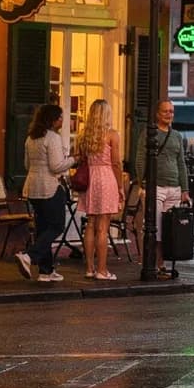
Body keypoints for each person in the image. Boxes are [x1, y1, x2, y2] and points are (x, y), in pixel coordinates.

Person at [16, 102, 73, 283]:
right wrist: (73, 160)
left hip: (32, 187)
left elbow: (26, 165)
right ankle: (29, 255)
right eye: (60, 118)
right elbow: (56, 166)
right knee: (57, 226)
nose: (62, 121)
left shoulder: (30, 138)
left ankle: (46, 271)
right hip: (49, 187)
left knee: (43, 228)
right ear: (54, 120)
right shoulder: (52, 138)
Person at [134, 100, 190, 278]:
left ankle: (162, 264)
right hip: (155, 186)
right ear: (158, 114)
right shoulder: (149, 133)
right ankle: (152, 264)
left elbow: (181, 163)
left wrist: (184, 189)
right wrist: (142, 182)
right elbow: (141, 158)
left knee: (168, 230)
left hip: (174, 188)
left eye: (171, 112)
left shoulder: (177, 136)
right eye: (165, 111)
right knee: (154, 228)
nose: (169, 114)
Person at [77, 100, 122, 281]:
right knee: (103, 228)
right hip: (105, 176)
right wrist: (120, 187)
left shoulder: (84, 135)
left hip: (91, 178)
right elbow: (116, 163)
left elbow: (81, 159)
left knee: (90, 224)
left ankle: (89, 268)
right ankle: (102, 271)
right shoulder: (112, 135)